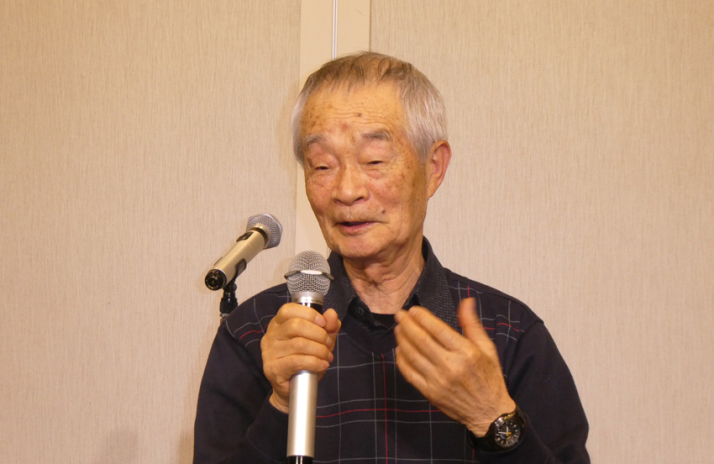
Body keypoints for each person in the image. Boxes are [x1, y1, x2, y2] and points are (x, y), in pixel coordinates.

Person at [193, 52, 590, 463]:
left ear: (433, 168)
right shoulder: (256, 335)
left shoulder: (509, 335)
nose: (347, 191)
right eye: (323, 166)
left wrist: (493, 417)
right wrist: (280, 405)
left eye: (374, 161)